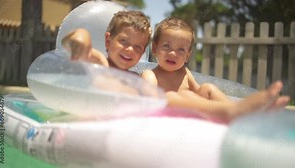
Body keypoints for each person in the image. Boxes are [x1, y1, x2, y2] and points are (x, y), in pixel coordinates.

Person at [62, 11, 290, 122]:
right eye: (123, 42)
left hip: (129, 114)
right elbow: (81, 44)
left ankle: (238, 113)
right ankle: (230, 113)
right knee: (165, 96)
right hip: (98, 116)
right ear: (107, 40)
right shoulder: (103, 64)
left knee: (191, 91)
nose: (130, 50)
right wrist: (81, 39)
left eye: (138, 47)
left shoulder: (133, 75)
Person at [141, 17, 290, 122]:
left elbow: (200, 93)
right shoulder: (151, 75)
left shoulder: (184, 73)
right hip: (173, 113)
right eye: (166, 46)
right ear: (154, 48)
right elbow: (149, 100)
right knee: (168, 96)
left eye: (181, 50)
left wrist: (203, 98)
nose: (173, 53)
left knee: (207, 88)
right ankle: (233, 112)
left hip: (200, 111)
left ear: (188, 55)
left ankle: (237, 110)